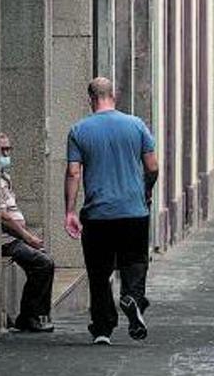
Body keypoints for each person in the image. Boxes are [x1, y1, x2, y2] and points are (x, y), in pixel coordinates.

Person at [62, 77, 159, 345]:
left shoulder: (79, 130)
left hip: (98, 214)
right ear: (113, 95)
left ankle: (103, 328)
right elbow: (152, 167)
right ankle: (132, 298)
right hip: (134, 210)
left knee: (98, 271)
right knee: (135, 262)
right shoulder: (136, 125)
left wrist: (69, 210)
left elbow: (73, 172)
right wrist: (146, 190)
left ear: (90, 98)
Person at [0, 133, 56, 333]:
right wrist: (27, 237)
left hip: (15, 237)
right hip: (6, 240)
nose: (6, 154)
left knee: (45, 259)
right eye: (2, 150)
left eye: (8, 149)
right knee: (42, 263)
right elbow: (2, 216)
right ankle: (30, 317)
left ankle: (38, 313)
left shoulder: (4, 177)